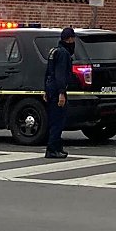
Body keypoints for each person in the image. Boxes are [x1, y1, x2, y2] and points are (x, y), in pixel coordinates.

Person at [42, 26, 76, 158]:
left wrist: (45, 89)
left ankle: (57, 147)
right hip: (57, 90)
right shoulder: (63, 53)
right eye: (73, 39)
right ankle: (52, 149)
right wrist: (62, 93)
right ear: (70, 39)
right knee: (58, 121)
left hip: (50, 88)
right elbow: (60, 74)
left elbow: (48, 72)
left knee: (54, 120)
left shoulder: (53, 51)